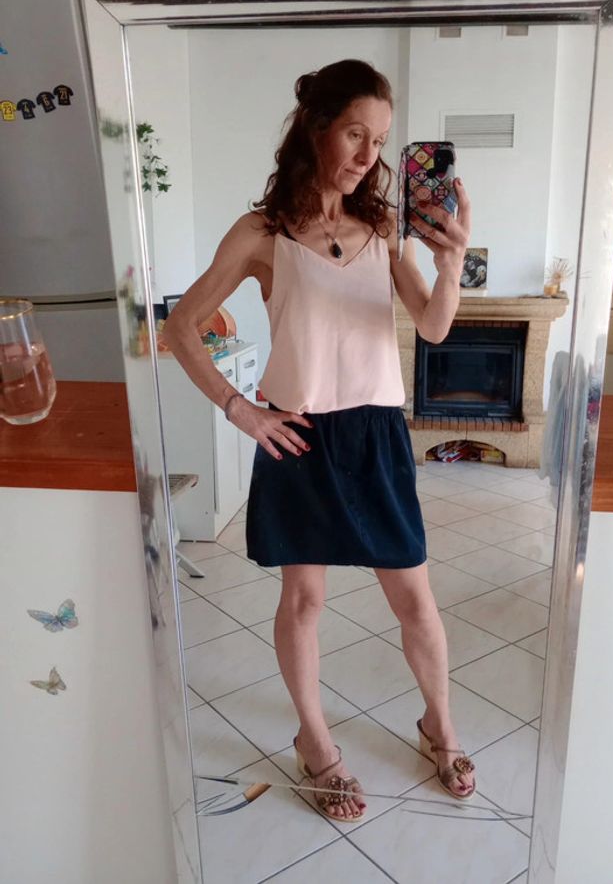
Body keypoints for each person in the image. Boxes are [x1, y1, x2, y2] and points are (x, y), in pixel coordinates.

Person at [163, 59, 475, 822]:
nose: (369, 155)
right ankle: (315, 740)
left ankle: (440, 724)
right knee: (303, 601)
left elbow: (433, 325)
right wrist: (241, 410)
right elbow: (180, 326)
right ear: (316, 128)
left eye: (381, 141)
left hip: (376, 435)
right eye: (355, 133)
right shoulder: (262, 233)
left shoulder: (384, 228)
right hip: (300, 434)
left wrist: (451, 262)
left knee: (416, 601)